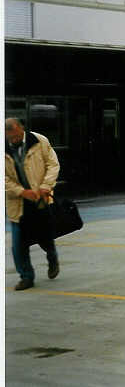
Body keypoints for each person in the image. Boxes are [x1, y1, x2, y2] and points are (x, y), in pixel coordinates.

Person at [5, 117, 60, 291]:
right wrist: (21, 192)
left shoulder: (39, 141)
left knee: (45, 237)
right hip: (18, 202)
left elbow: (53, 164)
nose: (12, 141)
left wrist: (45, 186)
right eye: (9, 138)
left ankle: (52, 257)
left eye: (14, 137)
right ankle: (26, 276)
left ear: (21, 129)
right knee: (18, 244)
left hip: (40, 199)